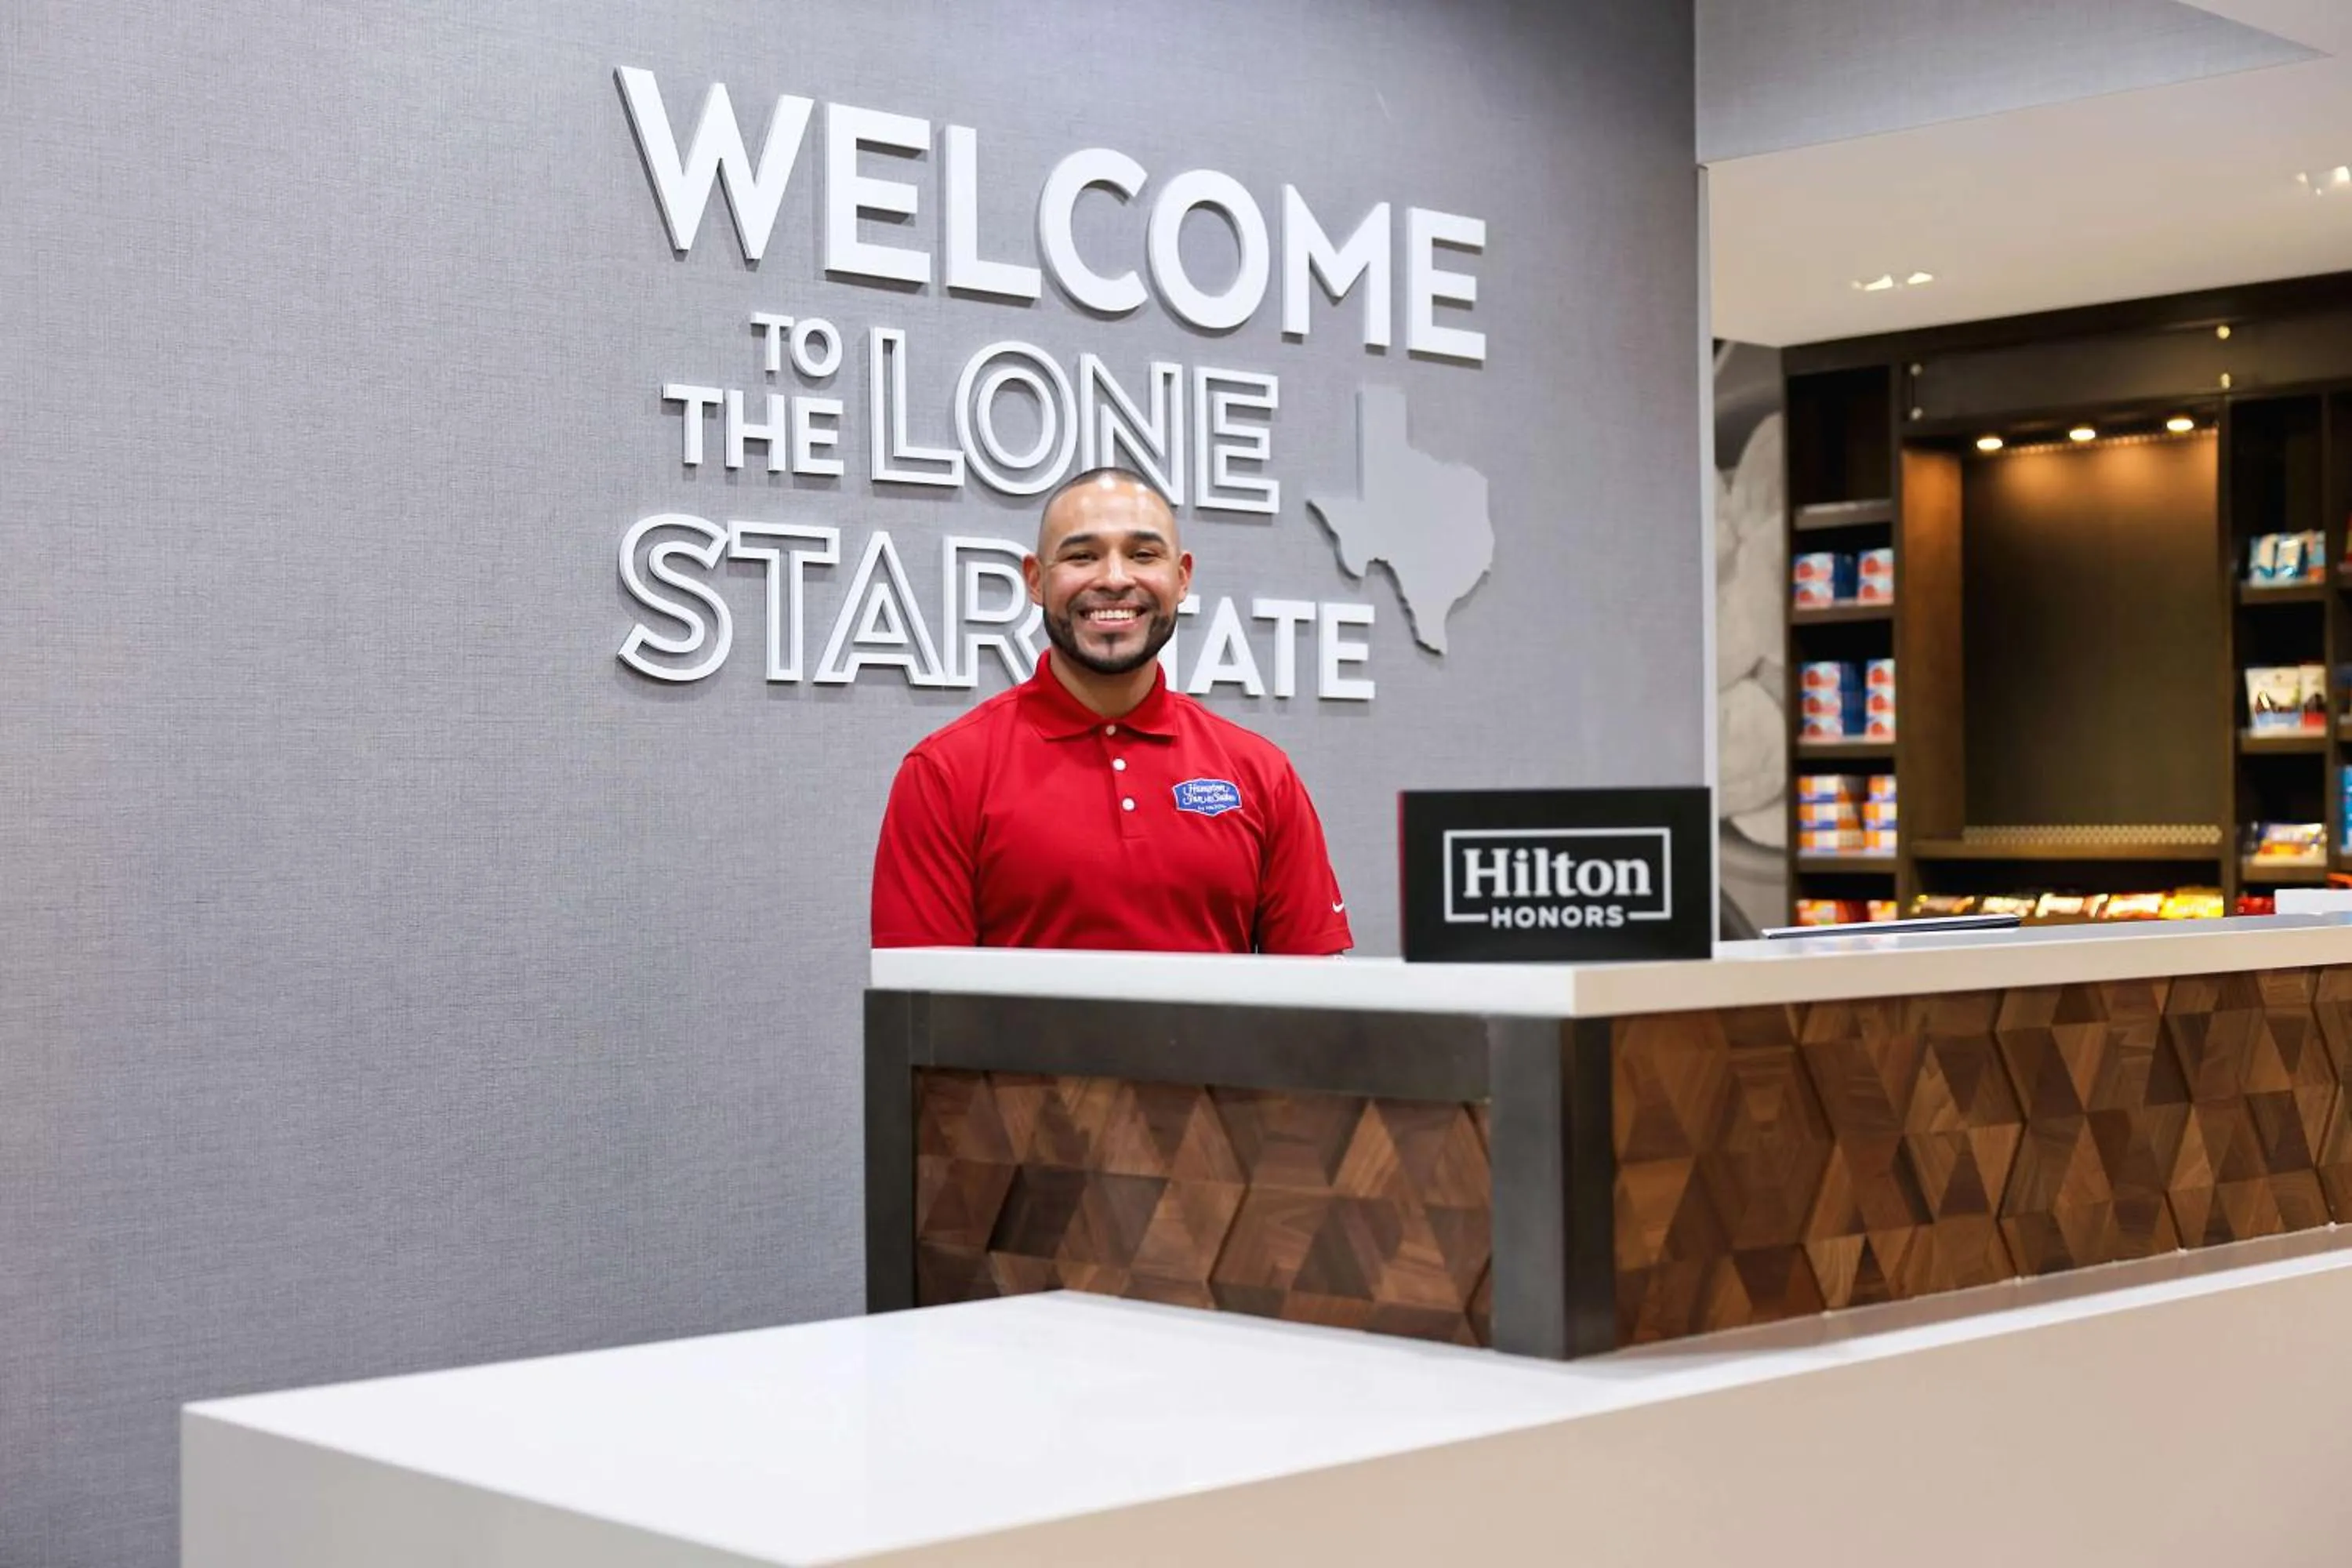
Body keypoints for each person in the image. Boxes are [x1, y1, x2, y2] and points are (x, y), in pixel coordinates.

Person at [870, 467, 1354, 954]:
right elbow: (922, 1013)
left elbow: (1314, 1003)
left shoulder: (1261, 773)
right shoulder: (944, 774)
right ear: (1036, 581)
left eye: (1143, 555)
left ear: (1181, 577)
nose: (1115, 579)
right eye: (1082, 556)